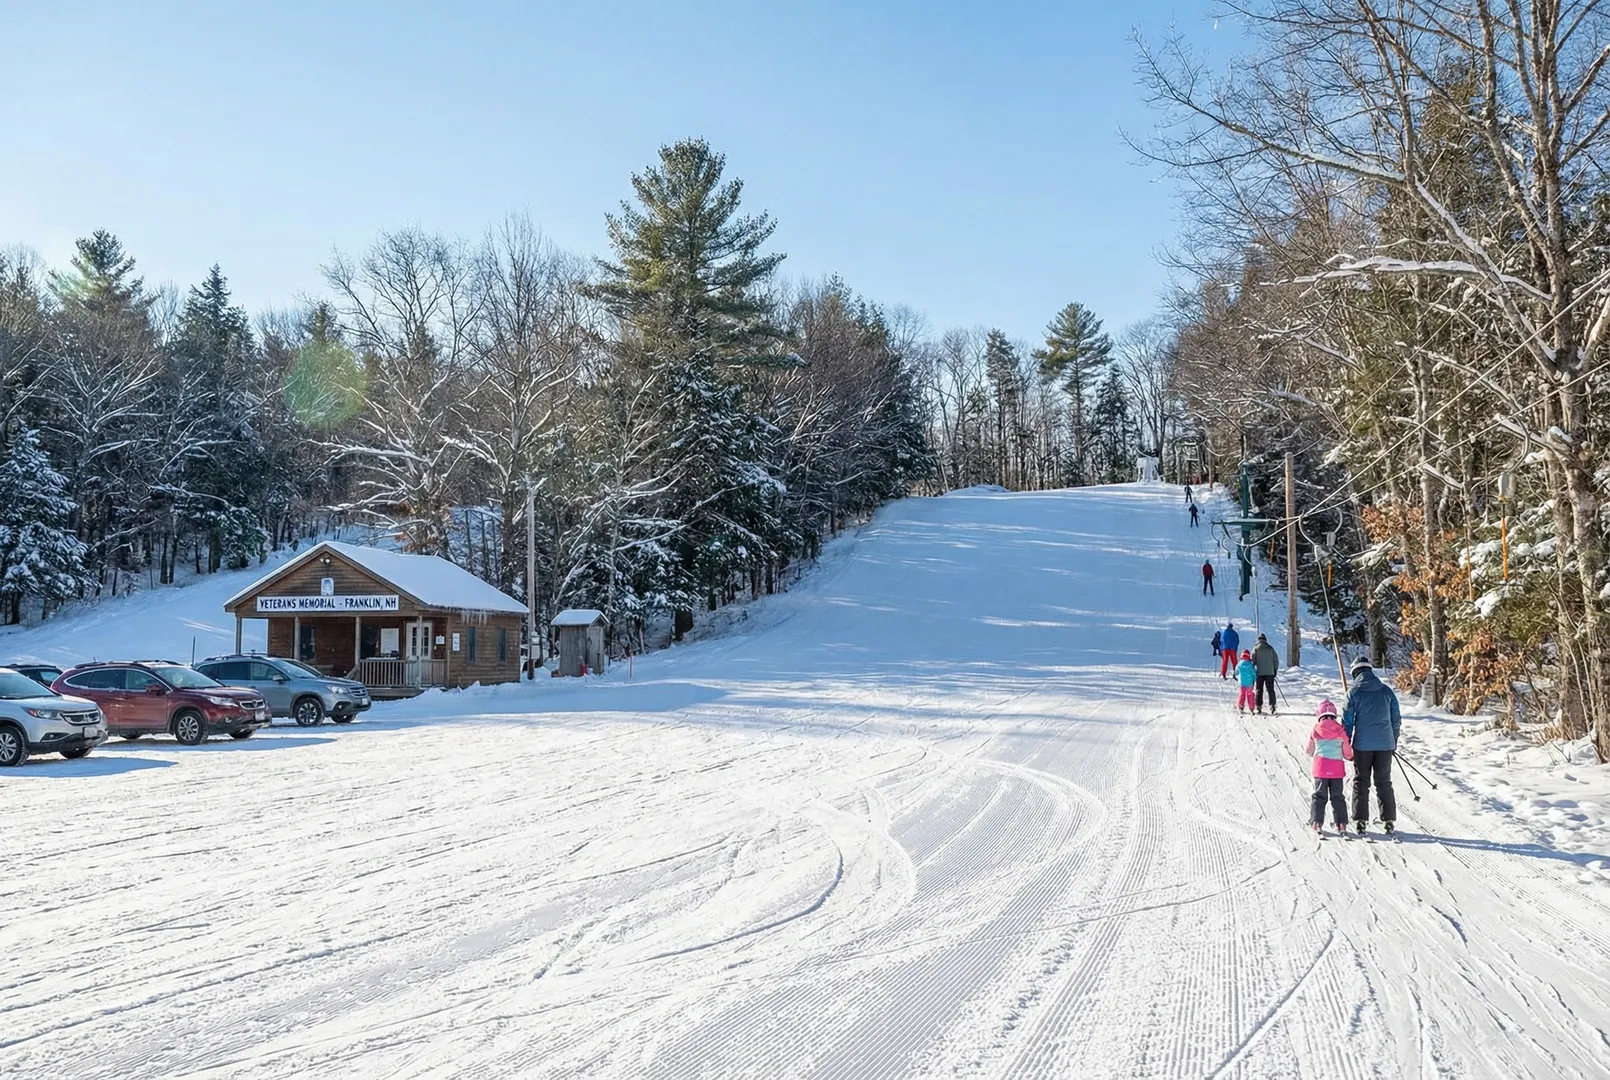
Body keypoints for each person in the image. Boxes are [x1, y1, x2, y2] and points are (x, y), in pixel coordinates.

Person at [1343, 656, 1402, 836]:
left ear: (1355, 672)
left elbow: (1347, 722)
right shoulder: (1386, 691)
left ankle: (1360, 820)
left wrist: (1346, 745)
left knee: (1361, 781)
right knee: (1384, 782)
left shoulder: (1353, 693)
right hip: (1385, 745)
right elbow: (1396, 719)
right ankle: (1388, 820)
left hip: (1362, 745)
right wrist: (1393, 741)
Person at [1306, 699, 1354, 836]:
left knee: (1319, 796)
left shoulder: (1316, 729)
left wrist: (1311, 752)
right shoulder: (1340, 730)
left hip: (1320, 768)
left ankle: (1316, 822)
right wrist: (1350, 756)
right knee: (1337, 796)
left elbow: (1309, 750)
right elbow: (1347, 752)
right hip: (1336, 770)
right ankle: (1341, 823)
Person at [1252, 633, 1280, 715]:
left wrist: (1253, 669)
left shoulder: (1256, 648)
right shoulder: (1270, 648)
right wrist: (1275, 670)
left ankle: (1258, 706)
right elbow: (1276, 660)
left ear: (1259, 640)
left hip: (1259, 672)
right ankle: (1272, 705)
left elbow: (1252, 660)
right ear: (1265, 640)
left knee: (1259, 690)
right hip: (1270, 672)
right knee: (1270, 689)